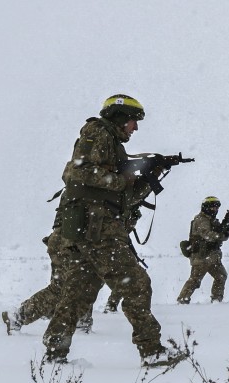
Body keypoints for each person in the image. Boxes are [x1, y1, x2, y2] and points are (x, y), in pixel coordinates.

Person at [41, 94, 186, 367]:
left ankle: (54, 352)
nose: (135, 128)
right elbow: (77, 173)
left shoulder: (111, 144)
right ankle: (152, 350)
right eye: (133, 121)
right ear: (119, 118)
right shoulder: (98, 133)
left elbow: (123, 198)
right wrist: (123, 178)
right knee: (137, 285)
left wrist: (151, 176)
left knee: (77, 292)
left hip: (94, 229)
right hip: (98, 230)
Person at [177, 196, 229, 304]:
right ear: (206, 207)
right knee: (194, 280)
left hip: (213, 257)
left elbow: (221, 236)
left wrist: (226, 229)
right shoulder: (201, 220)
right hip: (201, 257)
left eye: (217, 208)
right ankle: (182, 301)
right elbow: (207, 235)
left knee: (221, 276)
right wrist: (220, 235)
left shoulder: (212, 220)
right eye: (213, 207)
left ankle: (216, 300)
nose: (215, 210)